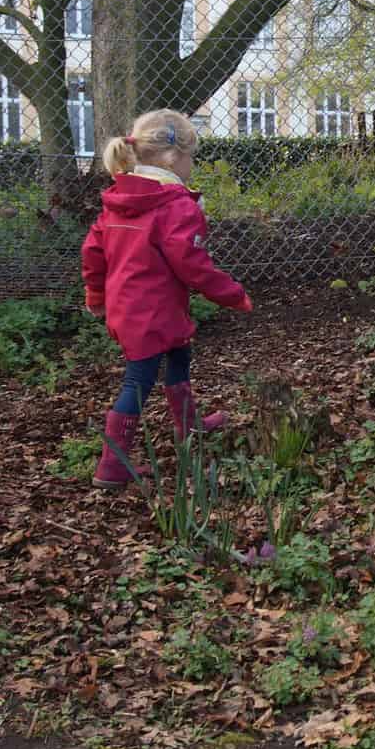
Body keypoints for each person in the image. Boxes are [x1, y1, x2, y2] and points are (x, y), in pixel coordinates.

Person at [81, 109, 252, 489]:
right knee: (138, 381)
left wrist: (96, 294)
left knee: (179, 353)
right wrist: (232, 294)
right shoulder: (175, 206)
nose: (192, 166)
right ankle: (112, 464)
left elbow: (93, 252)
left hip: (138, 308)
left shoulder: (118, 200)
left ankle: (188, 424)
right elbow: (192, 264)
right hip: (153, 313)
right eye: (192, 158)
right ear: (174, 158)